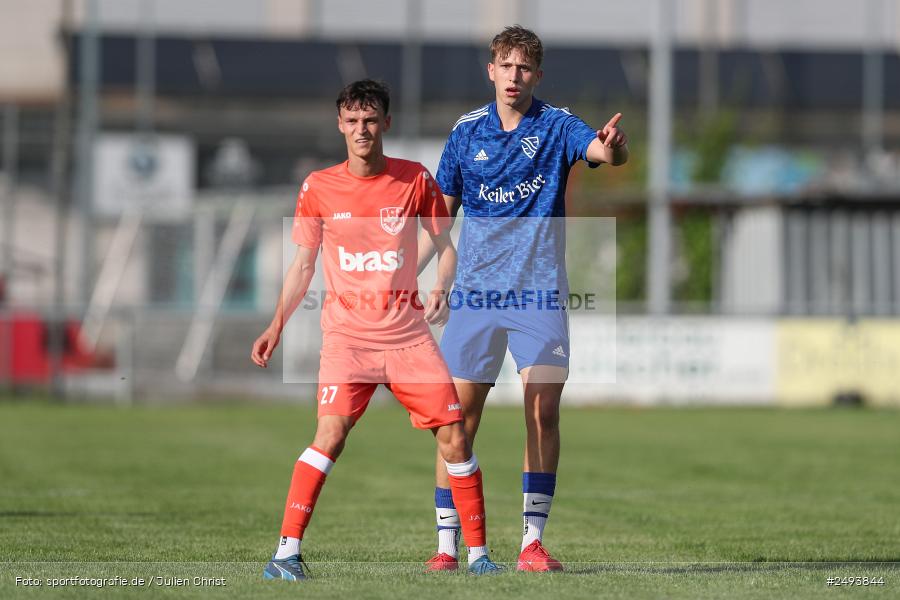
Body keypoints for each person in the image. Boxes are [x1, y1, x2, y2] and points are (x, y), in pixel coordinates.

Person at [252, 79, 503, 580]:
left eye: (370, 120)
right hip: (348, 341)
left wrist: (442, 284)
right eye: (352, 121)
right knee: (330, 434)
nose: (361, 130)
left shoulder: (414, 179)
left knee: (455, 437)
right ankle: (285, 554)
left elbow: (445, 244)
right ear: (340, 125)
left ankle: (478, 557)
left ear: (385, 124)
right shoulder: (319, 186)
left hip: (409, 339)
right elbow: (303, 266)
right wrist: (274, 326)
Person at [417, 26, 629, 573]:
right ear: (491, 70)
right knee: (456, 421)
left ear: (537, 74)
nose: (515, 76)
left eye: (525, 68)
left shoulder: (556, 126)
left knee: (543, 409)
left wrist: (612, 148)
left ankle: (531, 543)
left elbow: (599, 150)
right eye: (506, 66)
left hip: (538, 294)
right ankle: (447, 546)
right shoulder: (466, 133)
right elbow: (441, 218)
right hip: (476, 297)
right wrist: (411, 276)